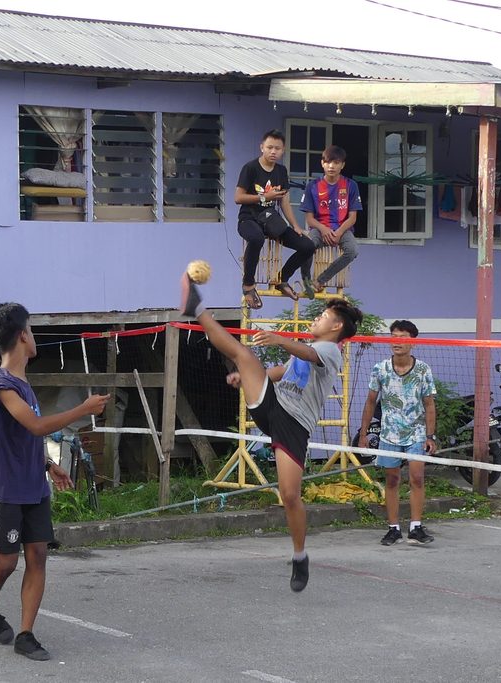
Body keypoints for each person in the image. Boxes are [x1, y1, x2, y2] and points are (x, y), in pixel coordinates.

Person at [179, 268, 361, 591]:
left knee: (289, 495)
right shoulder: (309, 346)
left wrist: (279, 339)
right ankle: (197, 308)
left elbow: (307, 354)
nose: (316, 318)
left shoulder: (330, 351)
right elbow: (281, 371)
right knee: (242, 354)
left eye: (322, 316)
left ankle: (300, 557)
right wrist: (248, 375)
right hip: (273, 404)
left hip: (294, 424)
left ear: (336, 327)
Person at [0, 303, 110, 661]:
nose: (33, 336)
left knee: (37, 555)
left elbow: (24, 437)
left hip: (33, 485)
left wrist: (49, 464)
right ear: (23, 335)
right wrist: (84, 409)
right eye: (32, 329)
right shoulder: (2, 384)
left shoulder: (24, 384)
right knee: (7, 563)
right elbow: (35, 426)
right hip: (6, 489)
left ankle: (26, 634)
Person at [358, 320, 437, 546]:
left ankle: (416, 527)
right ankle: (393, 528)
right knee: (392, 480)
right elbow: (370, 401)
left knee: (417, 478)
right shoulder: (380, 369)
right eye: (393, 336)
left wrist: (430, 436)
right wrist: (364, 434)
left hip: (416, 433)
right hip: (389, 434)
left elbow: (429, 404)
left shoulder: (423, 370)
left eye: (402, 337)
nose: (397, 342)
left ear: (413, 342)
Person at [235, 129, 316, 307]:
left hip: (271, 219)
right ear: (262, 147)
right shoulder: (250, 168)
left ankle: (281, 279)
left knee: (307, 246)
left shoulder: (281, 170)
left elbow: (284, 201)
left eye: (277, 148)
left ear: (283, 150)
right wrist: (265, 197)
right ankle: (248, 285)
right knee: (256, 238)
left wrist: (295, 225)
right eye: (269, 147)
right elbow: (238, 198)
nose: (273, 151)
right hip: (248, 219)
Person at [299, 145, 362, 298]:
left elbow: (352, 217)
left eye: (336, 162)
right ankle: (306, 280)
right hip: (319, 228)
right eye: (328, 162)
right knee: (306, 246)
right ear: (322, 163)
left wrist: (339, 232)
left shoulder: (351, 185)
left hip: (343, 229)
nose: (331, 166)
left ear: (342, 165)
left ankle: (320, 281)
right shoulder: (312, 186)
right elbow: (309, 219)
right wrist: (324, 229)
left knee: (352, 251)